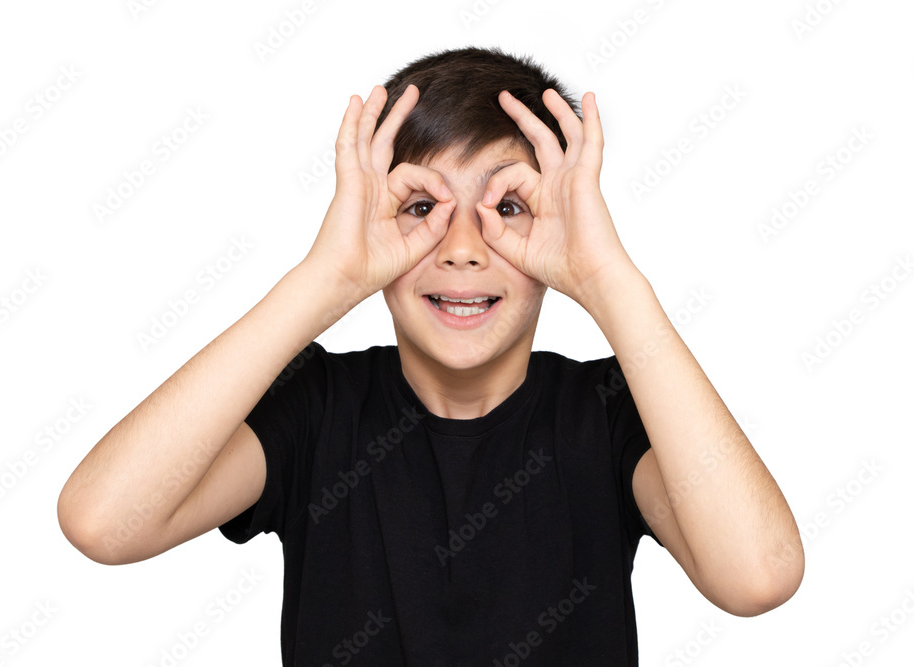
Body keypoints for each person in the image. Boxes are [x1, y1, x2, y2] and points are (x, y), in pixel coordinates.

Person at [57, 46, 805, 665]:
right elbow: (103, 520)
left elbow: (759, 575)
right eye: (422, 208)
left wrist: (610, 282)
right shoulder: (318, 405)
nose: (463, 250)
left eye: (508, 208)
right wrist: (327, 279)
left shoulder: (612, 412)